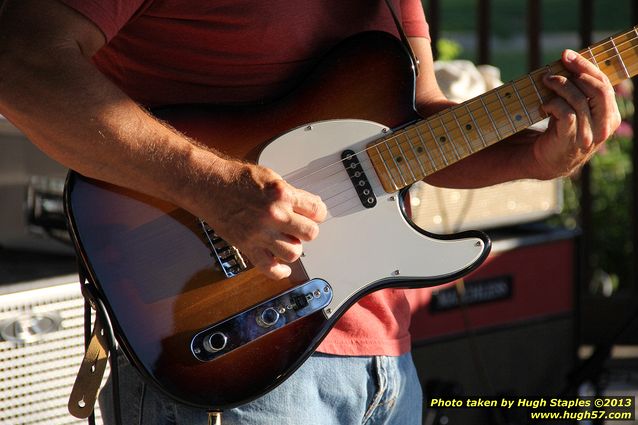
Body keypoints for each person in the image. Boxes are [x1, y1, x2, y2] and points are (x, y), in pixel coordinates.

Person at [0, 1, 621, 424]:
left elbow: (404, 130)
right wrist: (215, 188)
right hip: (231, 349)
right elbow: (21, 64)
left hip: (381, 359)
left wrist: (536, 157)